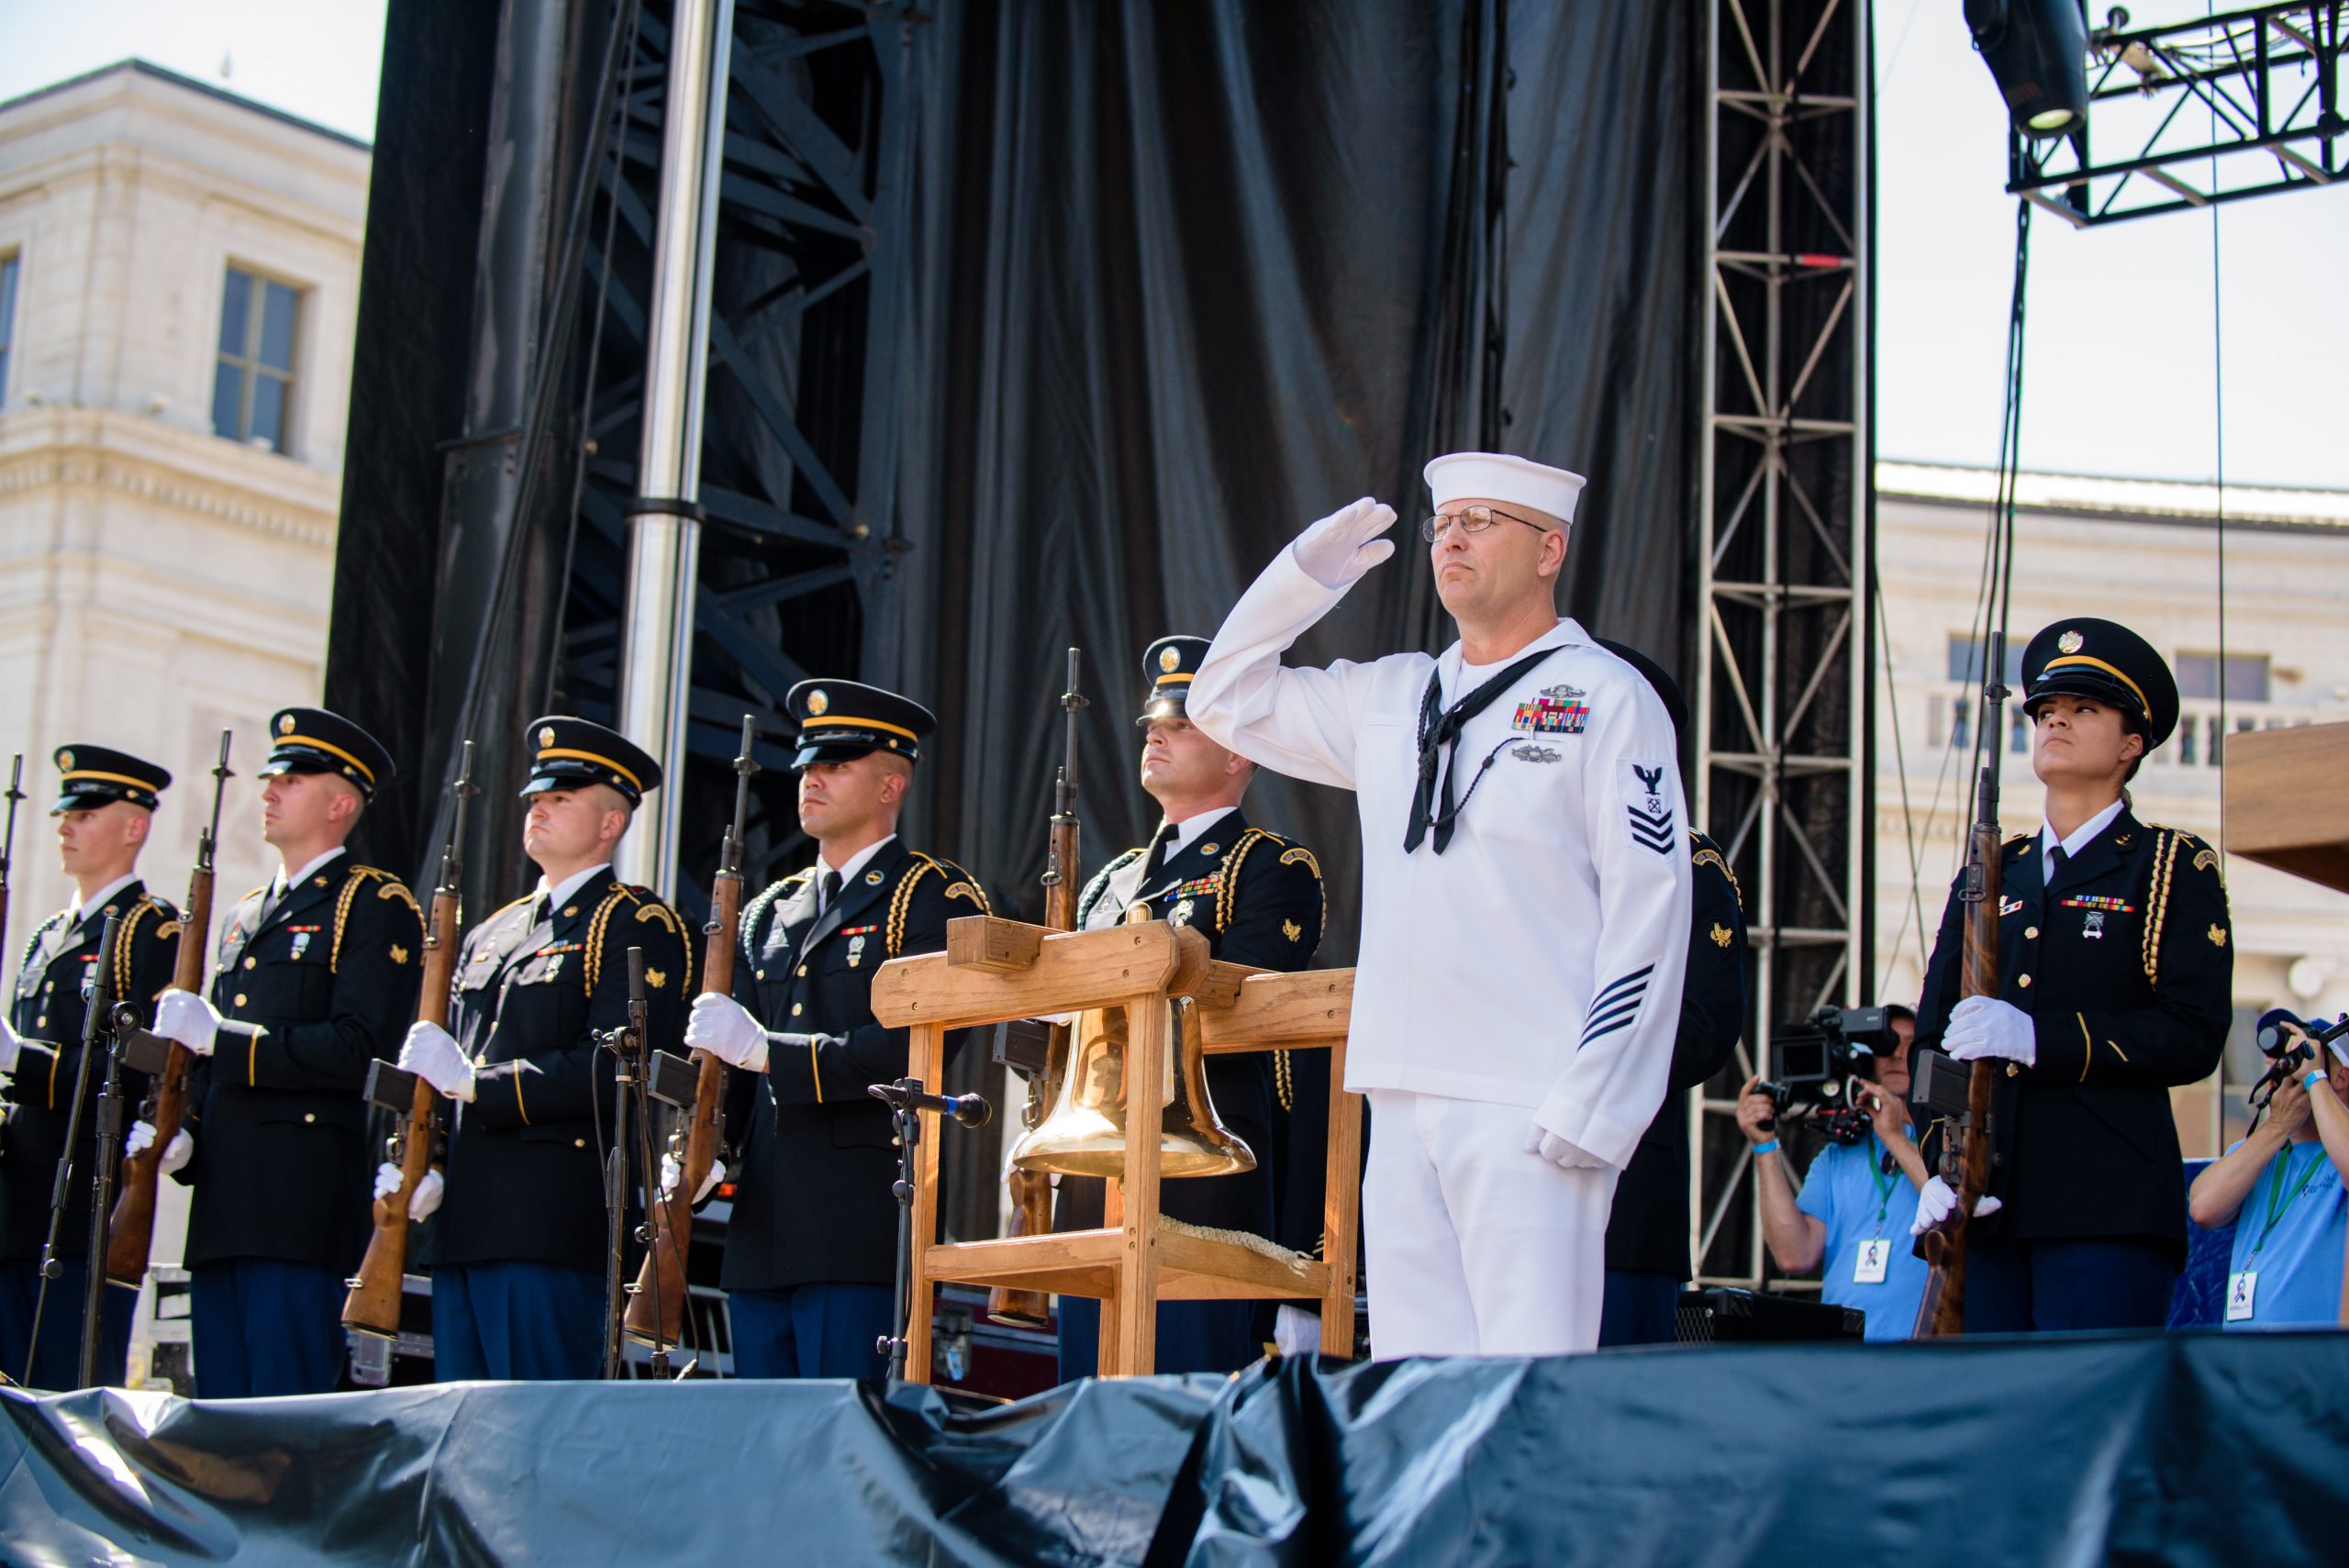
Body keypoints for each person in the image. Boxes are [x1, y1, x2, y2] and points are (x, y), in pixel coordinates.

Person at [1187, 455, 1692, 1356]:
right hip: (1402, 1086)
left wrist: (1596, 1097)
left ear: (1550, 549)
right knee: (1415, 1387)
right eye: (1441, 521)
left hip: (1530, 1092)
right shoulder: (1391, 694)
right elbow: (1221, 700)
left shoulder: (1607, 696)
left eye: (1482, 518)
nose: (1451, 536)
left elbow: (1650, 908)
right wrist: (1301, 577)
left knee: (1524, 1384)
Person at [1908, 619, 2232, 1332]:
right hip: (1987, 1206)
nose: (2056, 720)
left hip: (2103, 1209)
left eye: (2084, 709)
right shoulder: (1994, 874)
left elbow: (2192, 1033)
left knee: (2089, 1426)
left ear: (2131, 743)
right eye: (2048, 710)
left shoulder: (2170, 867)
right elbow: (1933, 1040)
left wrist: (2039, 1037)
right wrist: (1937, 1163)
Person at [684, 680, 988, 1378]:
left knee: (841, 1444)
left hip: (859, 1222)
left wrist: (768, 1051)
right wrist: (703, 1150)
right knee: (761, 1449)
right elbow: (725, 1067)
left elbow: (915, 1049)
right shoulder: (766, 912)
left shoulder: (932, 897)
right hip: (763, 1226)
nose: (811, 778)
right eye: (808, 764)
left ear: (890, 783)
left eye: (837, 763)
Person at [1052, 635, 1325, 1380]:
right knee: (1084, 1415)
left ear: (1239, 752)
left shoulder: (1270, 866)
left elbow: (1244, 1014)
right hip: (1094, 1186)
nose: (1155, 734)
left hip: (1204, 1188)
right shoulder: (1109, 881)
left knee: (1188, 1408)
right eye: (1151, 724)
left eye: (1182, 723)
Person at [131, 708, 425, 1396]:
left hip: (298, 1206)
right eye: (271, 779)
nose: (269, 791)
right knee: (223, 1422)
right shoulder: (240, 915)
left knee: (283, 1429)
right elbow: (210, 1063)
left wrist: (219, 1040)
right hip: (224, 1203)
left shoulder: (372, 903)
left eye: (290, 780)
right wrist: (187, 1136)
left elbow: (356, 1048)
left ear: (340, 802)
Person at [388, 717, 691, 1380]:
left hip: (548, 1223)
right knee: (462, 1434)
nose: (539, 809)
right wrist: (428, 1159)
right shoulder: (491, 933)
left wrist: (479, 1086)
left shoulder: (632, 922)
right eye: (535, 799)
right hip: (464, 1219)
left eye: (561, 798)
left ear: (610, 823)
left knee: (536, 1432)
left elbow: (615, 1068)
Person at [0, 747, 180, 1388]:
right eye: (63, 812)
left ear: (134, 826)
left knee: (68, 1407)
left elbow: (131, 1071)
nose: (64, 825)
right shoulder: (46, 935)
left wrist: (19, 1058)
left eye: (85, 812)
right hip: (16, 1206)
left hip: (80, 1208)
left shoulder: (147, 930)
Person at [1587, 643, 1749, 1348]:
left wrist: (1577, 1056)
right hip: (1497, 1180)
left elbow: (1704, 1025)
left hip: (1623, 1192)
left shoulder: (1690, 860)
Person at [1734, 1008, 1932, 1340]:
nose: (1897, 1054)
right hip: (1844, 1354)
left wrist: (1896, 1137)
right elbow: (1793, 1255)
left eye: (1909, 1045)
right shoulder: (1835, 1157)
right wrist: (1764, 1144)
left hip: (1923, 1354)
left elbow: (1953, 1214)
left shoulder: (1939, 1144)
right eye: (1887, 1046)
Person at [2188, 1031, 2349, 1329]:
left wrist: (2316, 1080)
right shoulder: (2260, 1151)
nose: (2285, 1073)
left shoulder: (2339, 1153)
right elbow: (2203, 1208)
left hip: (2317, 1362)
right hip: (2247, 1360)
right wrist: (2277, 1125)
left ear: (2341, 1076)